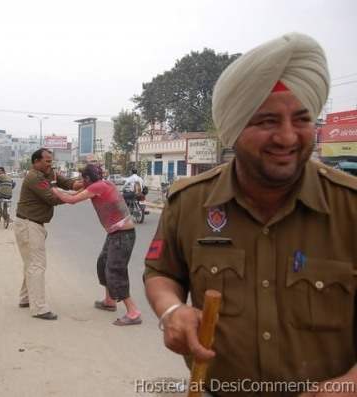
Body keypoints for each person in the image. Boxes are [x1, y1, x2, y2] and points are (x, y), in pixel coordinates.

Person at [143, 32, 356, 396]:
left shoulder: (349, 207)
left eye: (302, 119)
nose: (287, 137)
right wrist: (171, 312)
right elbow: (160, 272)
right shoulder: (190, 203)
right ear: (234, 128)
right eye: (267, 122)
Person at [51, 164, 142, 326]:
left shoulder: (99, 186)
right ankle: (109, 301)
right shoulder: (100, 185)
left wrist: (53, 189)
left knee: (115, 271)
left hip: (123, 235)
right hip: (115, 234)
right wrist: (60, 188)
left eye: (81, 178)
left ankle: (133, 312)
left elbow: (71, 200)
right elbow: (74, 193)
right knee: (102, 264)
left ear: (87, 178)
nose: (80, 181)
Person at [14, 148, 83, 320]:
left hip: (34, 225)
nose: (50, 164)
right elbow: (52, 198)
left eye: (51, 161)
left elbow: (68, 183)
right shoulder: (34, 177)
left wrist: (86, 183)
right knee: (37, 265)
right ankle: (38, 308)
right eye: (47, 161)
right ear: (36, 162)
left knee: (31, 263)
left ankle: (26, 298)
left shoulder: (49, 173)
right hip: (28, 224)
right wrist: (77, 197)